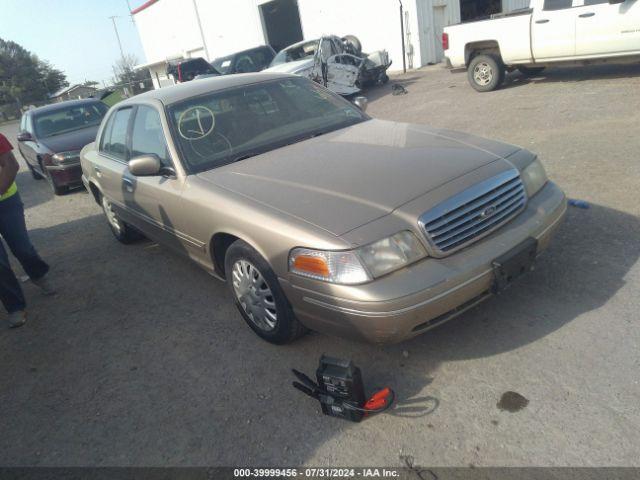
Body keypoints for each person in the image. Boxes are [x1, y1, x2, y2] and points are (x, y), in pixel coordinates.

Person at [0, 132, 55, 328]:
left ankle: (38, 274)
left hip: (5, 202)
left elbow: (11, 165)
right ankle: (15, 306)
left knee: (22, 247)